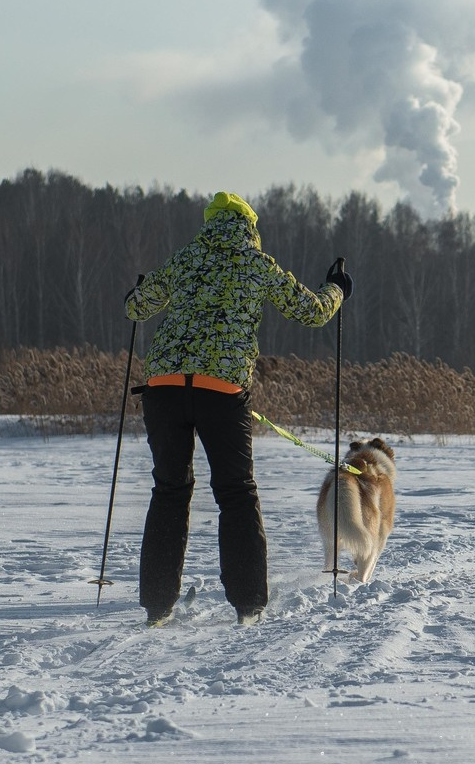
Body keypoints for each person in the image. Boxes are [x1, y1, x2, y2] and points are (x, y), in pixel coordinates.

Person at [123, 192, 347, 626]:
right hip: (221, 391)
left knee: (169, 490)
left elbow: (136, 306)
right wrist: (337, 289)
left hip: (163, 387)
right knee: (236, 493)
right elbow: (313, 311)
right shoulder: (256, 262)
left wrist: (140, 287)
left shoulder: (185, 257)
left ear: (210, 223)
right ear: (250, 226)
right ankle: (248, 604)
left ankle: (156, 604)